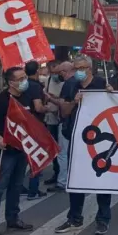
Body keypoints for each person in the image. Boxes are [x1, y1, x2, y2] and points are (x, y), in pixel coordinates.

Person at [55, 56, 113, 235]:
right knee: (76, 179)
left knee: (101, 179)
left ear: (90, 68)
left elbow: (114, 108)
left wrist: (112, 93)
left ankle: (103, 219)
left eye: (82, 67)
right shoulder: (70, 85)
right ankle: (74, 218)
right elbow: (64, 112)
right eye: (75, 68)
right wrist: (74, 102)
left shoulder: (102, 83)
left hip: (100, 140)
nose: (78, 71)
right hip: (76, 137)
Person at [0, 66, 35, 235]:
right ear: (11, 82)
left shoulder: (26, 97)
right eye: (20, 79)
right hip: (6, 151)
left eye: (25, 77)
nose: (24, 81)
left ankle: (13, 218)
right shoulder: (0, 101)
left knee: (17, 185)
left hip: (22, 149)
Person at [22, 60, 49, 200]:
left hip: (22, 125)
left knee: (23, 158)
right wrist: (47, 108)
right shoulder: (36, 87)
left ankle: (20, 186)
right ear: (37, 71)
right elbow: (38, 107)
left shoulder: (22, 85)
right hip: (35, 125)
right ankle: (33, 190)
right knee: (37, 157)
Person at [46, 61, 73, 191]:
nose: (59, 75)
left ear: (65, 71)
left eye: (60, 72)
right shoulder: (75, 83)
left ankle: (62, 182)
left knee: (62, 153)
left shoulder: (68, 84)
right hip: (68, 122)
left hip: (65, 122)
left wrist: (51, 99)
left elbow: (63, 104)